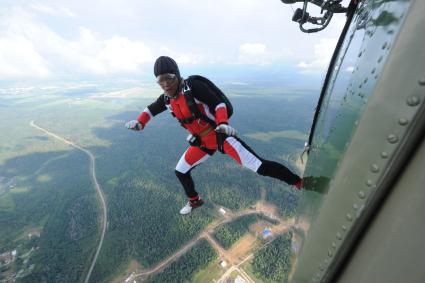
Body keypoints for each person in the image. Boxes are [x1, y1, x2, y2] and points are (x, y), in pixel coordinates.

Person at [125, 56, 302, 215]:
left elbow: (217, 104)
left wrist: (223, 123)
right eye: (160, 80)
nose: (165, 84)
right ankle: (195, 200)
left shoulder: (193, 87)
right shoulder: (166, 99)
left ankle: (298, 182)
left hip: (221, 137)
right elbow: (151, 109)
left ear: (177, 76)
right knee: (180, 171)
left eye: (169, 78)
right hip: (202, 142)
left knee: (259, 166)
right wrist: (140, 122)